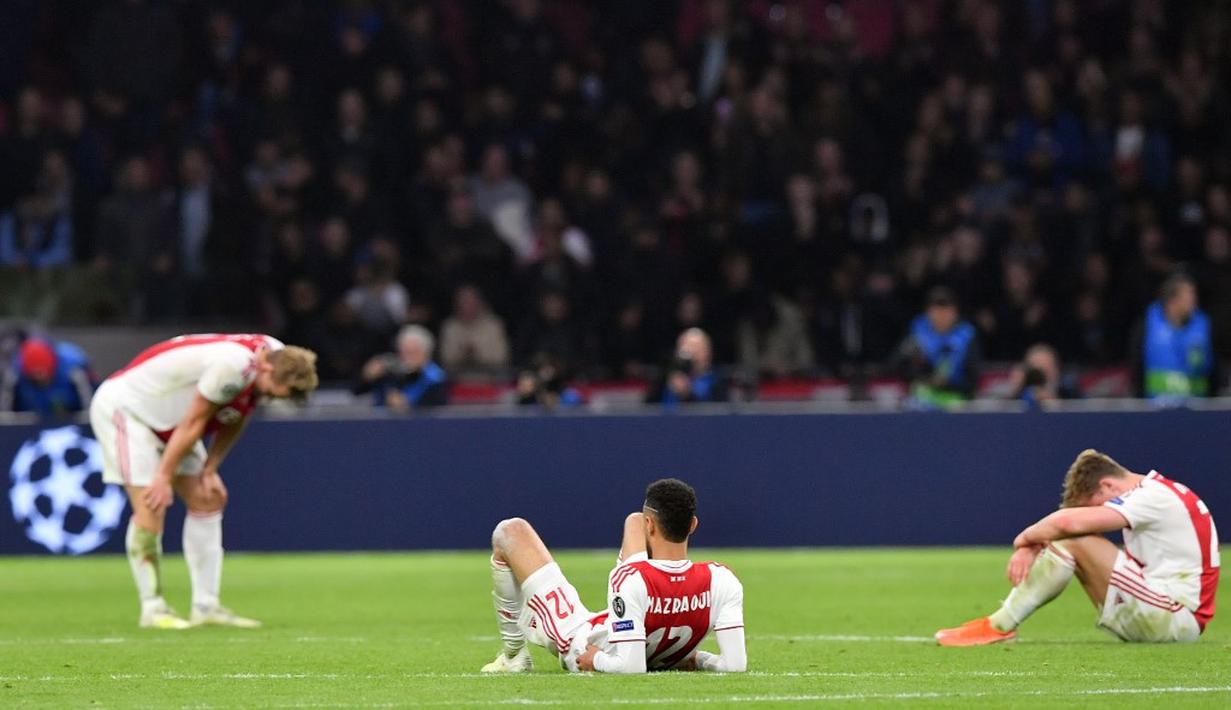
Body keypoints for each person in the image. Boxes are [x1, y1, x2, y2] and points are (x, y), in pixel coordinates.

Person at [88, 334, 319, 629]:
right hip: (129, 410)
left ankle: (206, 606)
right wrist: (163, 477)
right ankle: (153, 608)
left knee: (207, 496)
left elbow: (239, 413)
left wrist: (210, 468)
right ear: (268, 371)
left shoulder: (276, 355)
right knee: (152, 504)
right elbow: (196, 421)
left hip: (170, 419)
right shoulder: (232, 368)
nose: (274, 398)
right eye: (277, 391)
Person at [935, 449, 1219, 646]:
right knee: (1069, 537)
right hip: (1172, 614)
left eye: (1094, 505)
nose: (1093, 516)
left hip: (1174, 617)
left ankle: (999, 625)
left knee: (1073, 538)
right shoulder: (1161, 492)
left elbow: (1069, 526)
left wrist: (1024, 540)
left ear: (1107, 486)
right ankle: (998, 625)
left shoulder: (1152, 496)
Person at [481, 478, 746, 674]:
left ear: (651, 525)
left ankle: (514, 655)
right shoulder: (722, 578)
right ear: (693, 525)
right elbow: (735, 665)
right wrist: (696, 659)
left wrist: (594, 660)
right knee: (633, 520)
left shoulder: (629, 578)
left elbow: (630, 667)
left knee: (510, 531)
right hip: (643, 626)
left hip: (582, 639)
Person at [1131, 273, 1215, 400]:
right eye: (1188, 295)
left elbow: (1214, 370)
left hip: (1197, 409)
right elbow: (1136, 366)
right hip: (1156, 408)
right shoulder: (1147, 325)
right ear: (1172, 301)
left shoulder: (1203, 326)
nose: (1194, 300)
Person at [894, 286, 981, 408]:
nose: (941, 317)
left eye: (946, 311)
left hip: (957, 399)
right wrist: (923, 378)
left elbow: (973, 379)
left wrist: (946, 384)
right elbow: (897, 365)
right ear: (928, 312)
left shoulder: (967, 335)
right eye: (936, 311)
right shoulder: (917, 333)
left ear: (955, 312)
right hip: (922, 399)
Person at [355, 325, 448, 411]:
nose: (406, 359)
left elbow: (436, 411)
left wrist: (405, 406)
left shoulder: (436, 378)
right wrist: (366, 376)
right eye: (402, 353)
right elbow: (357, 392)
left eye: (411, 353)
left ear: (426, 354)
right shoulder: (391, 372)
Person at [0, 336, 97, 416]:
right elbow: (6, 416)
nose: (39, 376)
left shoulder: (73, 369)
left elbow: (89, 407)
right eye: (35, 373)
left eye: (42, 372)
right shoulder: (15, 374)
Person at [645, 328, 728, 406]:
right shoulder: (663, 380)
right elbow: (645, 410)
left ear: (708, 353)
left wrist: (686, 395)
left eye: (697, 348)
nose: (692, 353)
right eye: (686, 347)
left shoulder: (718, 382)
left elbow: (718, 416)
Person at [1006, 343, 1079, 407]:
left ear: (1055, 369)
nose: (1041, 373)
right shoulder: (1019, 389)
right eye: (1036, 368)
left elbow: (1080, 410)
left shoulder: (1068, 388)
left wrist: (1055, 403)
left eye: (1046, 367)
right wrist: (1017, 389)